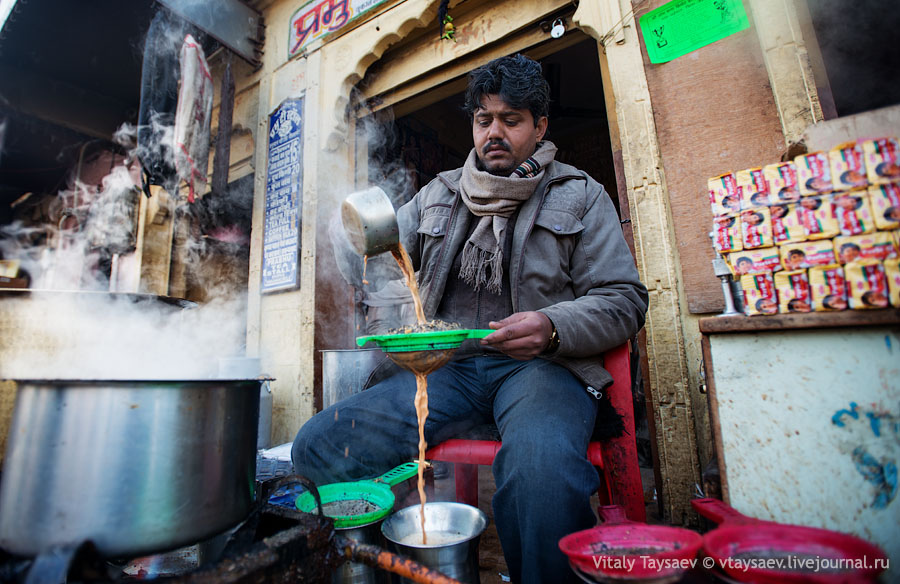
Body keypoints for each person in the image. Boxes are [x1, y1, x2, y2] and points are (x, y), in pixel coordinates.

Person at [292, 54, 648, 583]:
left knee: (541, 476)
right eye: (484, 120)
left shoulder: (580, 194)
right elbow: (373, 251)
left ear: (540, 126)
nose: (495, 132)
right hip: (447, 372)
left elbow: (624, 298)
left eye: (512, 119)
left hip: (543, 372)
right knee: (320, 443)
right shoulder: (438, 192)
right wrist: (351, 235)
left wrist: (552, 327)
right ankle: (388, 563)